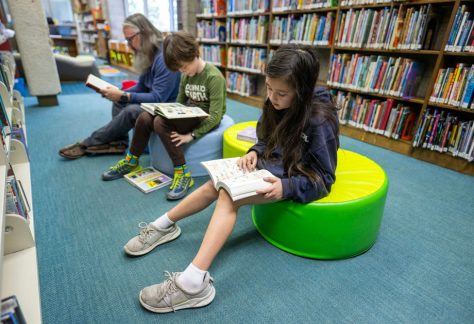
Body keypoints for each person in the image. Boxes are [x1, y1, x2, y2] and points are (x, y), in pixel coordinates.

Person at [122, 45, 340, 313]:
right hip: (272, 163)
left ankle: (193, 284)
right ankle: (163, 225)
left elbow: (325, 178)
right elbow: (266, 138)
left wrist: (287, 187)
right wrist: (255, 151)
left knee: (227, 195)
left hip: (293, 176)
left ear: (302, 91)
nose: (272, 97)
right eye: (269, 89)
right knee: (214, 181)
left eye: (281, 93)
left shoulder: (320, 120)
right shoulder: (276, 100)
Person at [101, 31, 226, 201]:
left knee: (160, 122)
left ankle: (182, 172)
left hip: (204, 118)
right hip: (187, 113)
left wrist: (192, 135)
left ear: (195, 53)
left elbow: (216, 115)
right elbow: (180, 103)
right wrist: (163, 109)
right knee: (145, 117)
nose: (183, 71)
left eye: (185, 66)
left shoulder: (214, 77)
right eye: (180, 69)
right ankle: (132, 160)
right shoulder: (185, 75)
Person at [58, 13, 180, 160]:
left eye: (130, 39)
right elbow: (142, 86)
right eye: (126, 39)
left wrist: (125, 95)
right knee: (119, 101)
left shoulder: (163, 58)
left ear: (144, 32)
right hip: (155, 102)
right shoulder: (149, 52)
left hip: (168, 106)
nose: (128, 44)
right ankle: (119, 143)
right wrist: (119, 93)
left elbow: (158, 98)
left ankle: (88, 142)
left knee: (131, 109)